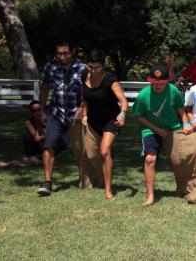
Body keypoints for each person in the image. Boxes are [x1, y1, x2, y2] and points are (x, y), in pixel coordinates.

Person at [132, 63, 193, 205]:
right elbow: (140, 116)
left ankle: (183, 188)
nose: (157, 86)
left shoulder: (173, 91)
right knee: (149, 159)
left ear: (167, 81)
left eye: (160, 83)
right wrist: (157, 130)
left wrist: (186, 124)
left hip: (173, 128)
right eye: (154, 83)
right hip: (151, 130)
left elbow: (181, 110)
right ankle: (150, 196)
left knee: (180, 160)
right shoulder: (143, 95)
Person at [37, 40, 87, 196]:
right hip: (56, 112)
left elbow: (88, 92)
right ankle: (47, 183)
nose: (62, 56)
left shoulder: (82, 69)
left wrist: (82, 109)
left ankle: (86, 178)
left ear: (72, 52)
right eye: (59, 53)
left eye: (65, 53)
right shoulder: (50, 67)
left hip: (76, 114)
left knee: (82, 148)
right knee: (48, 144)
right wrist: (42, 110)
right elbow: (45, 89)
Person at [80, 49, 128, 199]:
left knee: (104, 151)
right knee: (92, 152)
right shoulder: (84, 76)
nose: (93, 71)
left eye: (97, 67)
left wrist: (123, 113)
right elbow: (86, 99)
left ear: (103, 65)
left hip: (111, 119)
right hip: (93, 120)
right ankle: (98, 178)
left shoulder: (110, 79)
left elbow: (123, 101)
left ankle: (108, 190)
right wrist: (84, 113)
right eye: (90, 67)